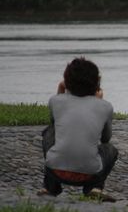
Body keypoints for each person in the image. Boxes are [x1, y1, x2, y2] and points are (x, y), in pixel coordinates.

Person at [38, 57, 118, 202]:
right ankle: (94, 188)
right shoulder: (106, 107)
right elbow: (105, 139)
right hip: (90, 174)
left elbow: (55, 125)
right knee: (110, 149)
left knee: (49, 132)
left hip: (55, 170)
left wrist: (60, 89)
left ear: (66, 81)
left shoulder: (55, 101)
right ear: (97, 83)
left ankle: (50, 187)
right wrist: (98, 103)